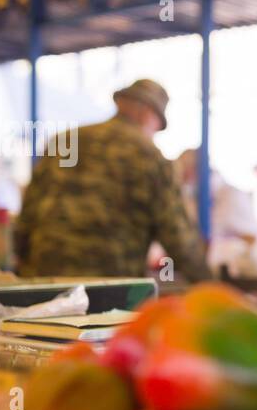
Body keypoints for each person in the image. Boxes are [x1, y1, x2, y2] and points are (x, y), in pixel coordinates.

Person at [13, 79, 211, 281]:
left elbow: (26, 217)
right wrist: (210, 286)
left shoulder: (64, 141)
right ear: (148, 115)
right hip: (109, 289)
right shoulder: (150, 156)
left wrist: (21, 266)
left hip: (44, 278)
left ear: (121, 103)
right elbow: (179, 239)